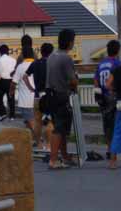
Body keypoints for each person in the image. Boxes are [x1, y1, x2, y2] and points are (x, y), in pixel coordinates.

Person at [46, 29, 78, 170]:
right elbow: (73, 80)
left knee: (62, 128)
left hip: (51, 94)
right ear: (70, 42)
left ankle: (64, 156)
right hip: (61, 95)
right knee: (59, 129)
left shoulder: (52, 56)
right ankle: (53, 160)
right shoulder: (66, 58)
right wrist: (76, 81)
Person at [94, 40, 121, 159]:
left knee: (106, 124)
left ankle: (109, 148)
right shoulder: (117, 63)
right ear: (118, 50)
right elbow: (120, 79)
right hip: (113, 96)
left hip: (103, 96)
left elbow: (95, 80)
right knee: (116, 123)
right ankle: (114, 150)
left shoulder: (101, 63)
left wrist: (98, 93)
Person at [25, 42, 54, 151]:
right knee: (50, 121)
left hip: (37, 96)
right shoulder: (52, 63)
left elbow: (25, 76)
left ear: (41, 52)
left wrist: (31, 88)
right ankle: (49, 146)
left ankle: (39, 146)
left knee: (38, 122)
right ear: (51, 52)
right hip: (49, 96)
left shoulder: (35, 63)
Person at [11, 46, 36, 141]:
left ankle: (38, 139)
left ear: (23, 55)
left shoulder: (21, 67)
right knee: (31, 120)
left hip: (26, 100)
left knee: (30, 120)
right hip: (38, 98)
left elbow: (14, 82)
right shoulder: (37, 64)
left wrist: (11, 92)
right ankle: (32, 139)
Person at [0, 44, 16, 121]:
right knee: (11, 98)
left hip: (2, 81)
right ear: (8, 51)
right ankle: (12, 116)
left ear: (0, 52)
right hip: (11, 81)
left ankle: (2, 113)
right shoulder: (13, 60)